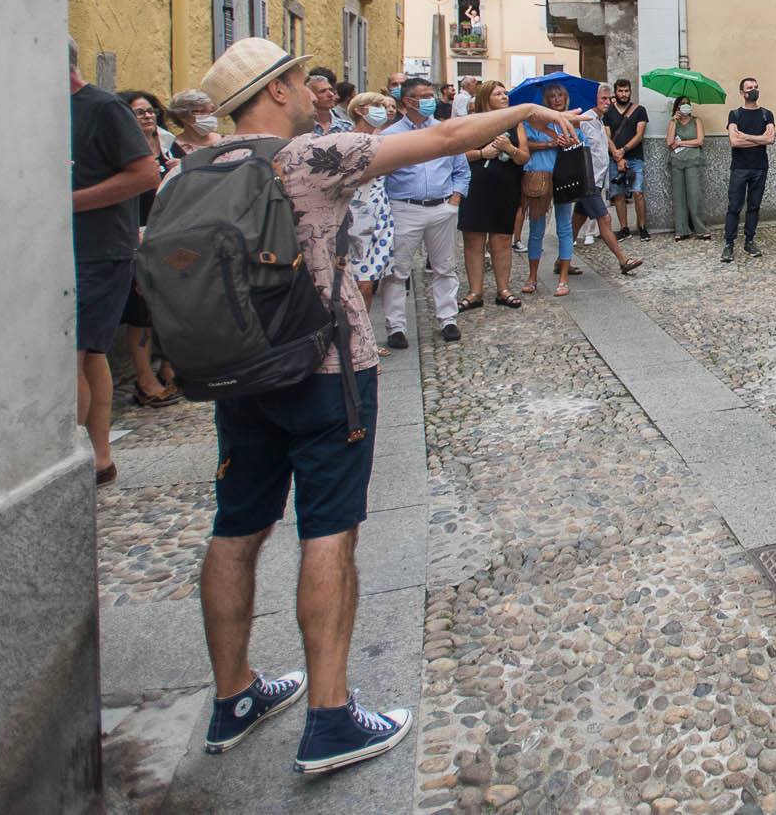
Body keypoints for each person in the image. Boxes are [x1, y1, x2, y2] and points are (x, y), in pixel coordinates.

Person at [187, 38, 577, 774]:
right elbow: (441, 137)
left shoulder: (199, 163)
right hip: (323, 365)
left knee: (235, 527)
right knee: (329, 531)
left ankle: (232, 695)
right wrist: (523, 106)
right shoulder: (307, 157)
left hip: (240, 372)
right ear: (274, 92)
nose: (310, 91)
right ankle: (331, 717)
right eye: (300, 81)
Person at [69, 40, 161, 483]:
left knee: (72, 356)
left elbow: (146, 174)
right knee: (88, 356)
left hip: (98, 251)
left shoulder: (103, 108)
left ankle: (63, 468)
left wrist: (66, 203)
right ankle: (101, 458)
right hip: (71, 251)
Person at [376, 77, 469, 346]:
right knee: (397, 270)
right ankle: (395, 326)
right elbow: (380, 175)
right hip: (405, 208)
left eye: (432, 95)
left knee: (445, 267)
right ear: (408, 101)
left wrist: (455, 199)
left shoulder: (445, 132)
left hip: (441, 206)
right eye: (425, 96)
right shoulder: (390, 137)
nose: (431, 100)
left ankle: (448, 318)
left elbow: (461, 170)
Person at [119, 90, 182, 407]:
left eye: (149, 111)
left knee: (169, 307)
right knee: (141, 312)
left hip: (169, 233)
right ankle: (144, 379)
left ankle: (170, 367)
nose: (146, 116)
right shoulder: (125, 151)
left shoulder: (168, 144)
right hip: (138, 235)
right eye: (138, 112)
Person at [456, 80, 528, 311]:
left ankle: (503, 289)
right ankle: (475, 291)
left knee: (502, 239)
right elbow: (456, 153)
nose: (505, 96)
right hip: (476, 185)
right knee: (474, 240)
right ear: (486, 98)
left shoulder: (515, 122)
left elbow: (524, 157)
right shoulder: (471, 122)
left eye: (505, 93)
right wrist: (481, 153)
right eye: (499, 94)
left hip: (506, 185)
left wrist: (510, 148)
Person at [567, 86, 645, 292]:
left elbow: (603, 146)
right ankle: (623, 260)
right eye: (603, 98)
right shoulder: (584, 118)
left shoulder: (599, 120)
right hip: (587, 180)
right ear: (593, 99)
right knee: (605, 219)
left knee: (577, 221)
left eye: (609, 99)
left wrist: (617, 156)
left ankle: (561, 261)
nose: (608, 102)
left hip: (598, 179)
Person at [344, 93, 396, 348]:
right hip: (354, 216)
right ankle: (358, 342)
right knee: (359, 283)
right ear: (360, 110)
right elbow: (351, 178)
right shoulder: (348, 141)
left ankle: (364, 340)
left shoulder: (384, 140)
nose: (384, 111)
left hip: (379, 213)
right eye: (378, 106)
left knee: (369, 282)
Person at [519, 83, 576, 295]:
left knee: (564, 228)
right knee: (536, 229)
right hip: (539, 176)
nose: (557, 99)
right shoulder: (533, 122)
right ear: (546, 100)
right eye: (552, 96)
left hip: (563, 177)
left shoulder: (572, 121)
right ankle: (532, 276)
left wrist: (569, 141)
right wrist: (549, 143)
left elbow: (582, 145)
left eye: (560, 95)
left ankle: (563, 278)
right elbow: (524, 145)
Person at [722, 77, 775, 263]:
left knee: (754, 206)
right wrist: (758, 138)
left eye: (756, 87)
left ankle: (749, 241)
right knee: (734, 206)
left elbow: (770, 140)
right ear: (742, 93)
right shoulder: (734, 115)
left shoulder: (766, 114)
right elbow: (734, 142)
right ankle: (729, 244)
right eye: (749, 87)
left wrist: (746, 136)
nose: (753, 90)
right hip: (739, 168)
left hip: (760, 168)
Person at [602, 77, 650, 241]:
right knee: (618, 195)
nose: (624, 94)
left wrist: (623, 150)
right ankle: (624, 228)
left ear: (630, 92)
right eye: (620, 91)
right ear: (615, 92)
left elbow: (639, 135)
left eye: (626, 91)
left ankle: (642, 227)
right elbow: (606, 135)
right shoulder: (608, 112)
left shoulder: (639, 110)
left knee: (638, 192)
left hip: (635, 158)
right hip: (614, 159)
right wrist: (616, 154)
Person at [665, 96, 713, 240]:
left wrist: (680, 144)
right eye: (682, 104)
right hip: (677, 161)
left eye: (688, 104)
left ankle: (700, 228)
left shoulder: (696, 120)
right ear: (677, 107)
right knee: (678, 196)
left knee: (694, 194)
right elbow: (669, 141)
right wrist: (674, 120)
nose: (686, 106)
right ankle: (681, 229)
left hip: (693, 160)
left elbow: (700, 141)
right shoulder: (673, 121)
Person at [168, 88, 223, 161]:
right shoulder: (171, 147)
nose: (210, 116)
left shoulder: (225, 142)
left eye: (212, 111)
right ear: (182, 116)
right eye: (201, 111)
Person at [308, 69, 353, 135]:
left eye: (331, 90)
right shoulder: (303, 129)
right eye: (322, 91)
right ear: (311, 95)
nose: (331, 94)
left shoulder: (347, 128)